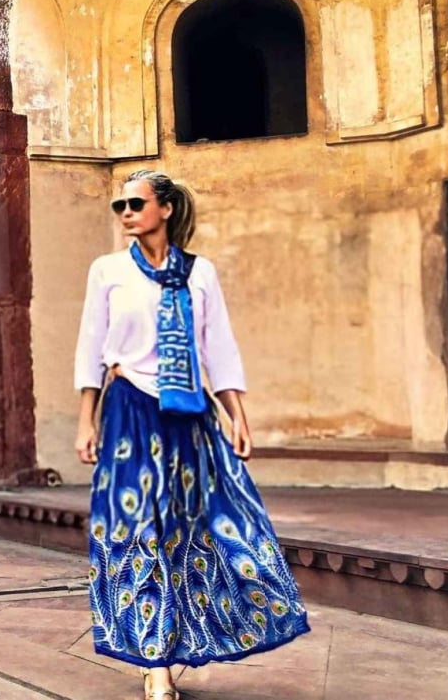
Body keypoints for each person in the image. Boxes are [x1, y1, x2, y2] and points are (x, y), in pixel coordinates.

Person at [73, 170, 308, 700]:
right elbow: (91, 345)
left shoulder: (199, 273)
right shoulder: (108, 270)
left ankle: (181, 639)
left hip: (191, 415)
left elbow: (217, 346)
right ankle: (154, 662)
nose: (126, 213)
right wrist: (87, 419)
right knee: (139, 531)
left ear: (166, 209)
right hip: (130, 411)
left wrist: (237, 414)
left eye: (135, 203)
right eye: (119, 206)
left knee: (198, 530)